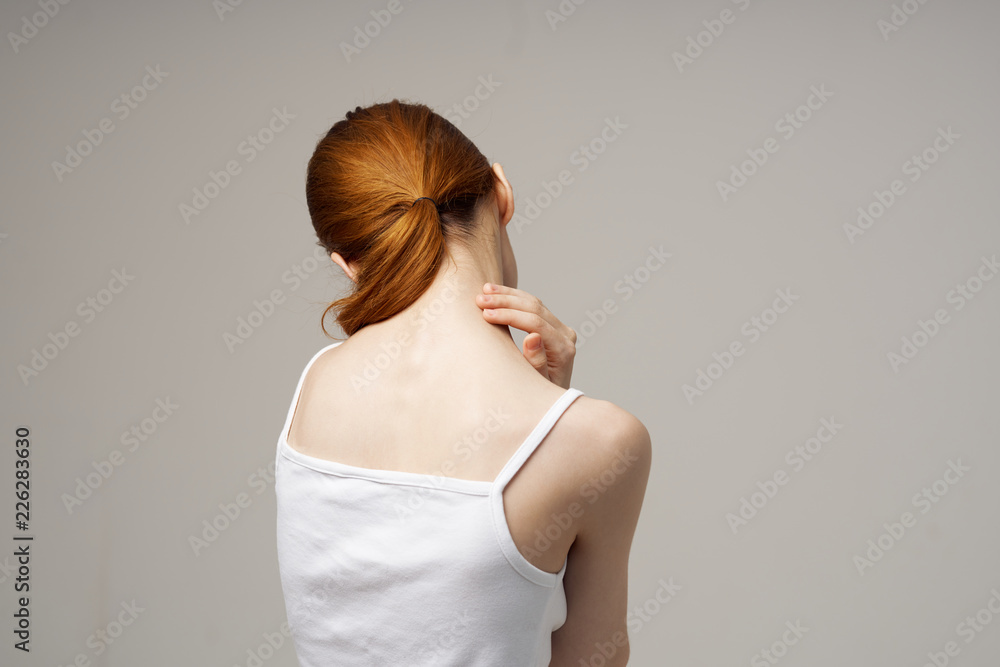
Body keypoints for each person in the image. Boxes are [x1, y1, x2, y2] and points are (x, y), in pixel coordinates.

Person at [274, 99, 651, 666]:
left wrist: (546, 413)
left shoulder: (314, 389)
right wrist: (555, 425)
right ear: (501, 193)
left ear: (347, 263)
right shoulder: (602, 442)